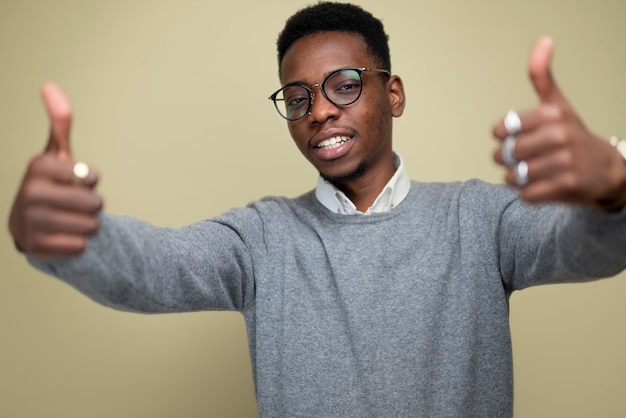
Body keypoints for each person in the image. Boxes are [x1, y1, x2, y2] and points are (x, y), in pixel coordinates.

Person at [8, 2, 626, 417]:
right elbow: (154, 267)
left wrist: (614, 187)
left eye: (345, 85)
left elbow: (590, 245)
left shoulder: (481, 220)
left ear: (394, 93)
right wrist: (62, 233)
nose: (320, 110)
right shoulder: (262, 238)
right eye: (298, 97)